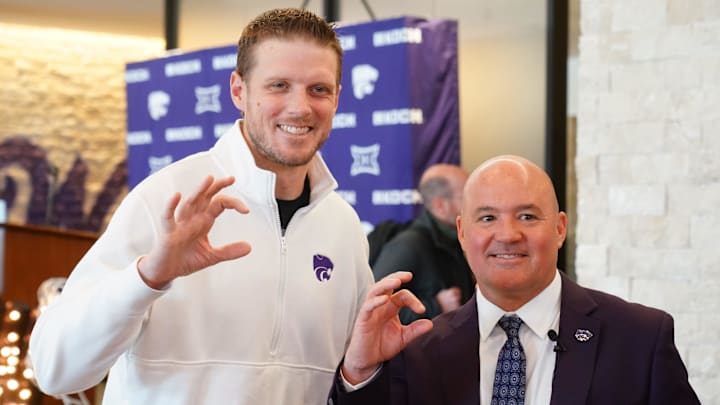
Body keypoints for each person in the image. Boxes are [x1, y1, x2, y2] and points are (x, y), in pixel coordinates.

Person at [29, 8, 374, 404]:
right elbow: (53, 369)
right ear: (238, 91)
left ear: (337, 98)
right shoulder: (165, 199)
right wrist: (147, 278)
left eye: (319, 89)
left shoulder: (343, 227)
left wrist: (362, 374)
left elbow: (341, 383)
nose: (300, 107)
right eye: (279, 85)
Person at [329, 155, 700, 405]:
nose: (507, 235)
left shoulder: (640, 338)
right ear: (461, 232)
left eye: (527, 216)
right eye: (487, 218)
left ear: (559, 229)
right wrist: (359, 371)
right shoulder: (419, 352)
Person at [371, 163, 475, 324]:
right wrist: (436, 307)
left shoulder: (455, 238)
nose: (476, 204)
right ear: (441, 205)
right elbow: (375, 308)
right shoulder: (408, 245)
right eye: (467, 197)